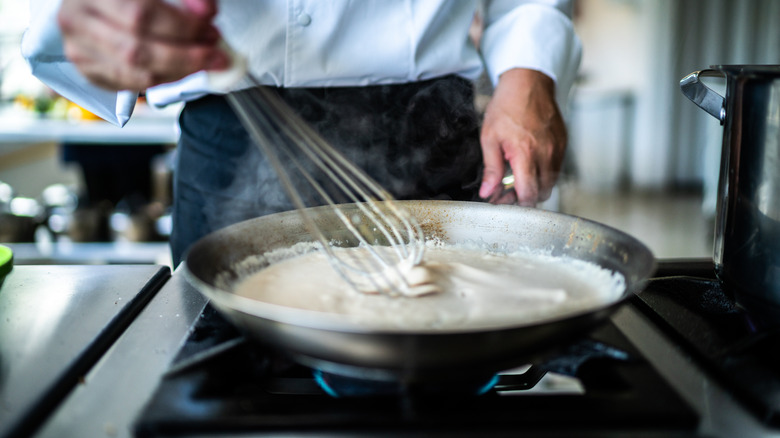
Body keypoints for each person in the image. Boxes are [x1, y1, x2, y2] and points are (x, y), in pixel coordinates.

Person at [23, 0, 581, 265]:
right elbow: (77, 17)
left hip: (431, 136)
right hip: (236, 142)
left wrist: (530, 69)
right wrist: (90, 22)